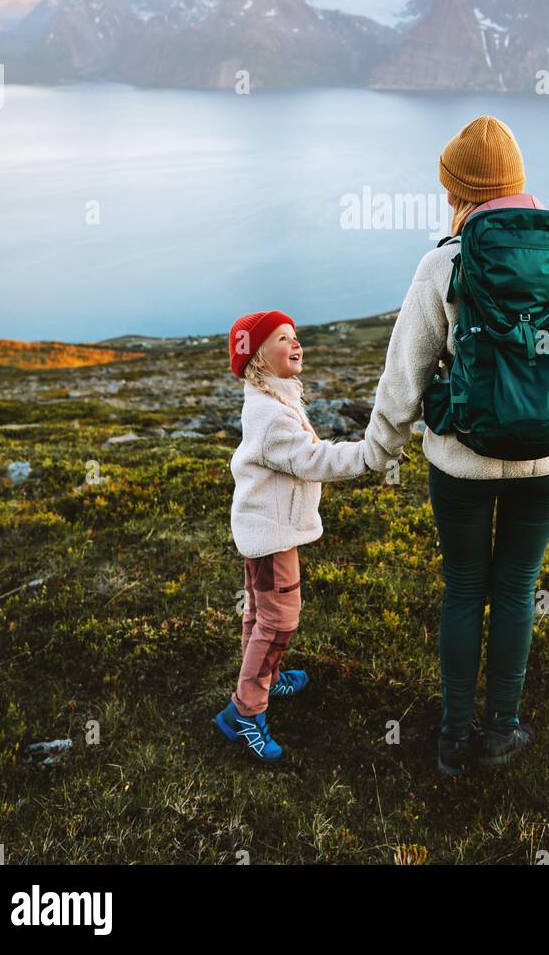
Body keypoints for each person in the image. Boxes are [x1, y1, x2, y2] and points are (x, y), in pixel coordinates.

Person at [362, 115, 549, 775]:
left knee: (465, 589)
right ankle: (502, 731)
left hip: (460, 463)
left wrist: (376, 453)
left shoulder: (443, 262)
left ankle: (452, 738)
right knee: (518, 587)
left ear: (454, 192)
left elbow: (403, 376)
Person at [214, 310, 369, 763]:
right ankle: (244, 711)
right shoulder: (271, 415)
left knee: (260, 614)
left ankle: (265, 678)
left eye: (295, 336)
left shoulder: (275, 398)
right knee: (279, 620)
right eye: (283, 338)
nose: (296, 343)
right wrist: (367, 455)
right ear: (258, 357)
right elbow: (313, 460)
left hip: (265, 530)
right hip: (272, 536)